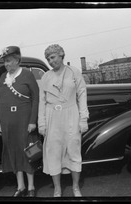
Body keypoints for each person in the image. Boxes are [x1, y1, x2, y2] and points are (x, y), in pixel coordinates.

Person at [38, 44, 89, 197]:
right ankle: (57, 189)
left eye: (52, 57)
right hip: (52, 116)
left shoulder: (74, 72)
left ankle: (75, 187)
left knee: (73, 148)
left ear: (61, 55)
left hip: (71, 113)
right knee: (53, 151)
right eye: (48, 59)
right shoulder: (46, 76)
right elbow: (42, 101)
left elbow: (82, 94)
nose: (50, 61)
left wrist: (83, 118)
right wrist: (42, 123)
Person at [0, 46, 39, 197]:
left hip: (24, 120)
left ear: (18, 60)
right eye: (5, 61)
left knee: (27, 151)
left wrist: (33, 121)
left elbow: (36, 98)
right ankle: (21, 186)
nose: (7, 64)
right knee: (13, 151)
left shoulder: (27, 75)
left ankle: (31, 187)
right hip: (7, 121)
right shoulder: (2, 77)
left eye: (9, 61)